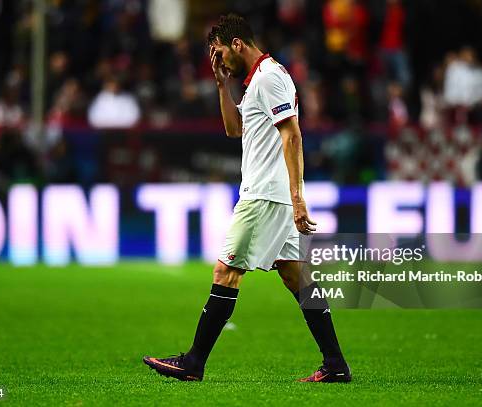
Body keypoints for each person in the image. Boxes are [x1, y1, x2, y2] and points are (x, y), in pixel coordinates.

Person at [143, 14, 351, 383]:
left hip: (265, 196)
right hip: (274, 196)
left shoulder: (270, 77)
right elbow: (234, 129)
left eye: (220, 53)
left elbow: (293, 136)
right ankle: (335, 364)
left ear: (236, 44)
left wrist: (298, 196)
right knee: (295, 276)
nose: (219, 60)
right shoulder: (258, 80)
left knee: (226, 271)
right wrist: (223, 87)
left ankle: (193, 362)